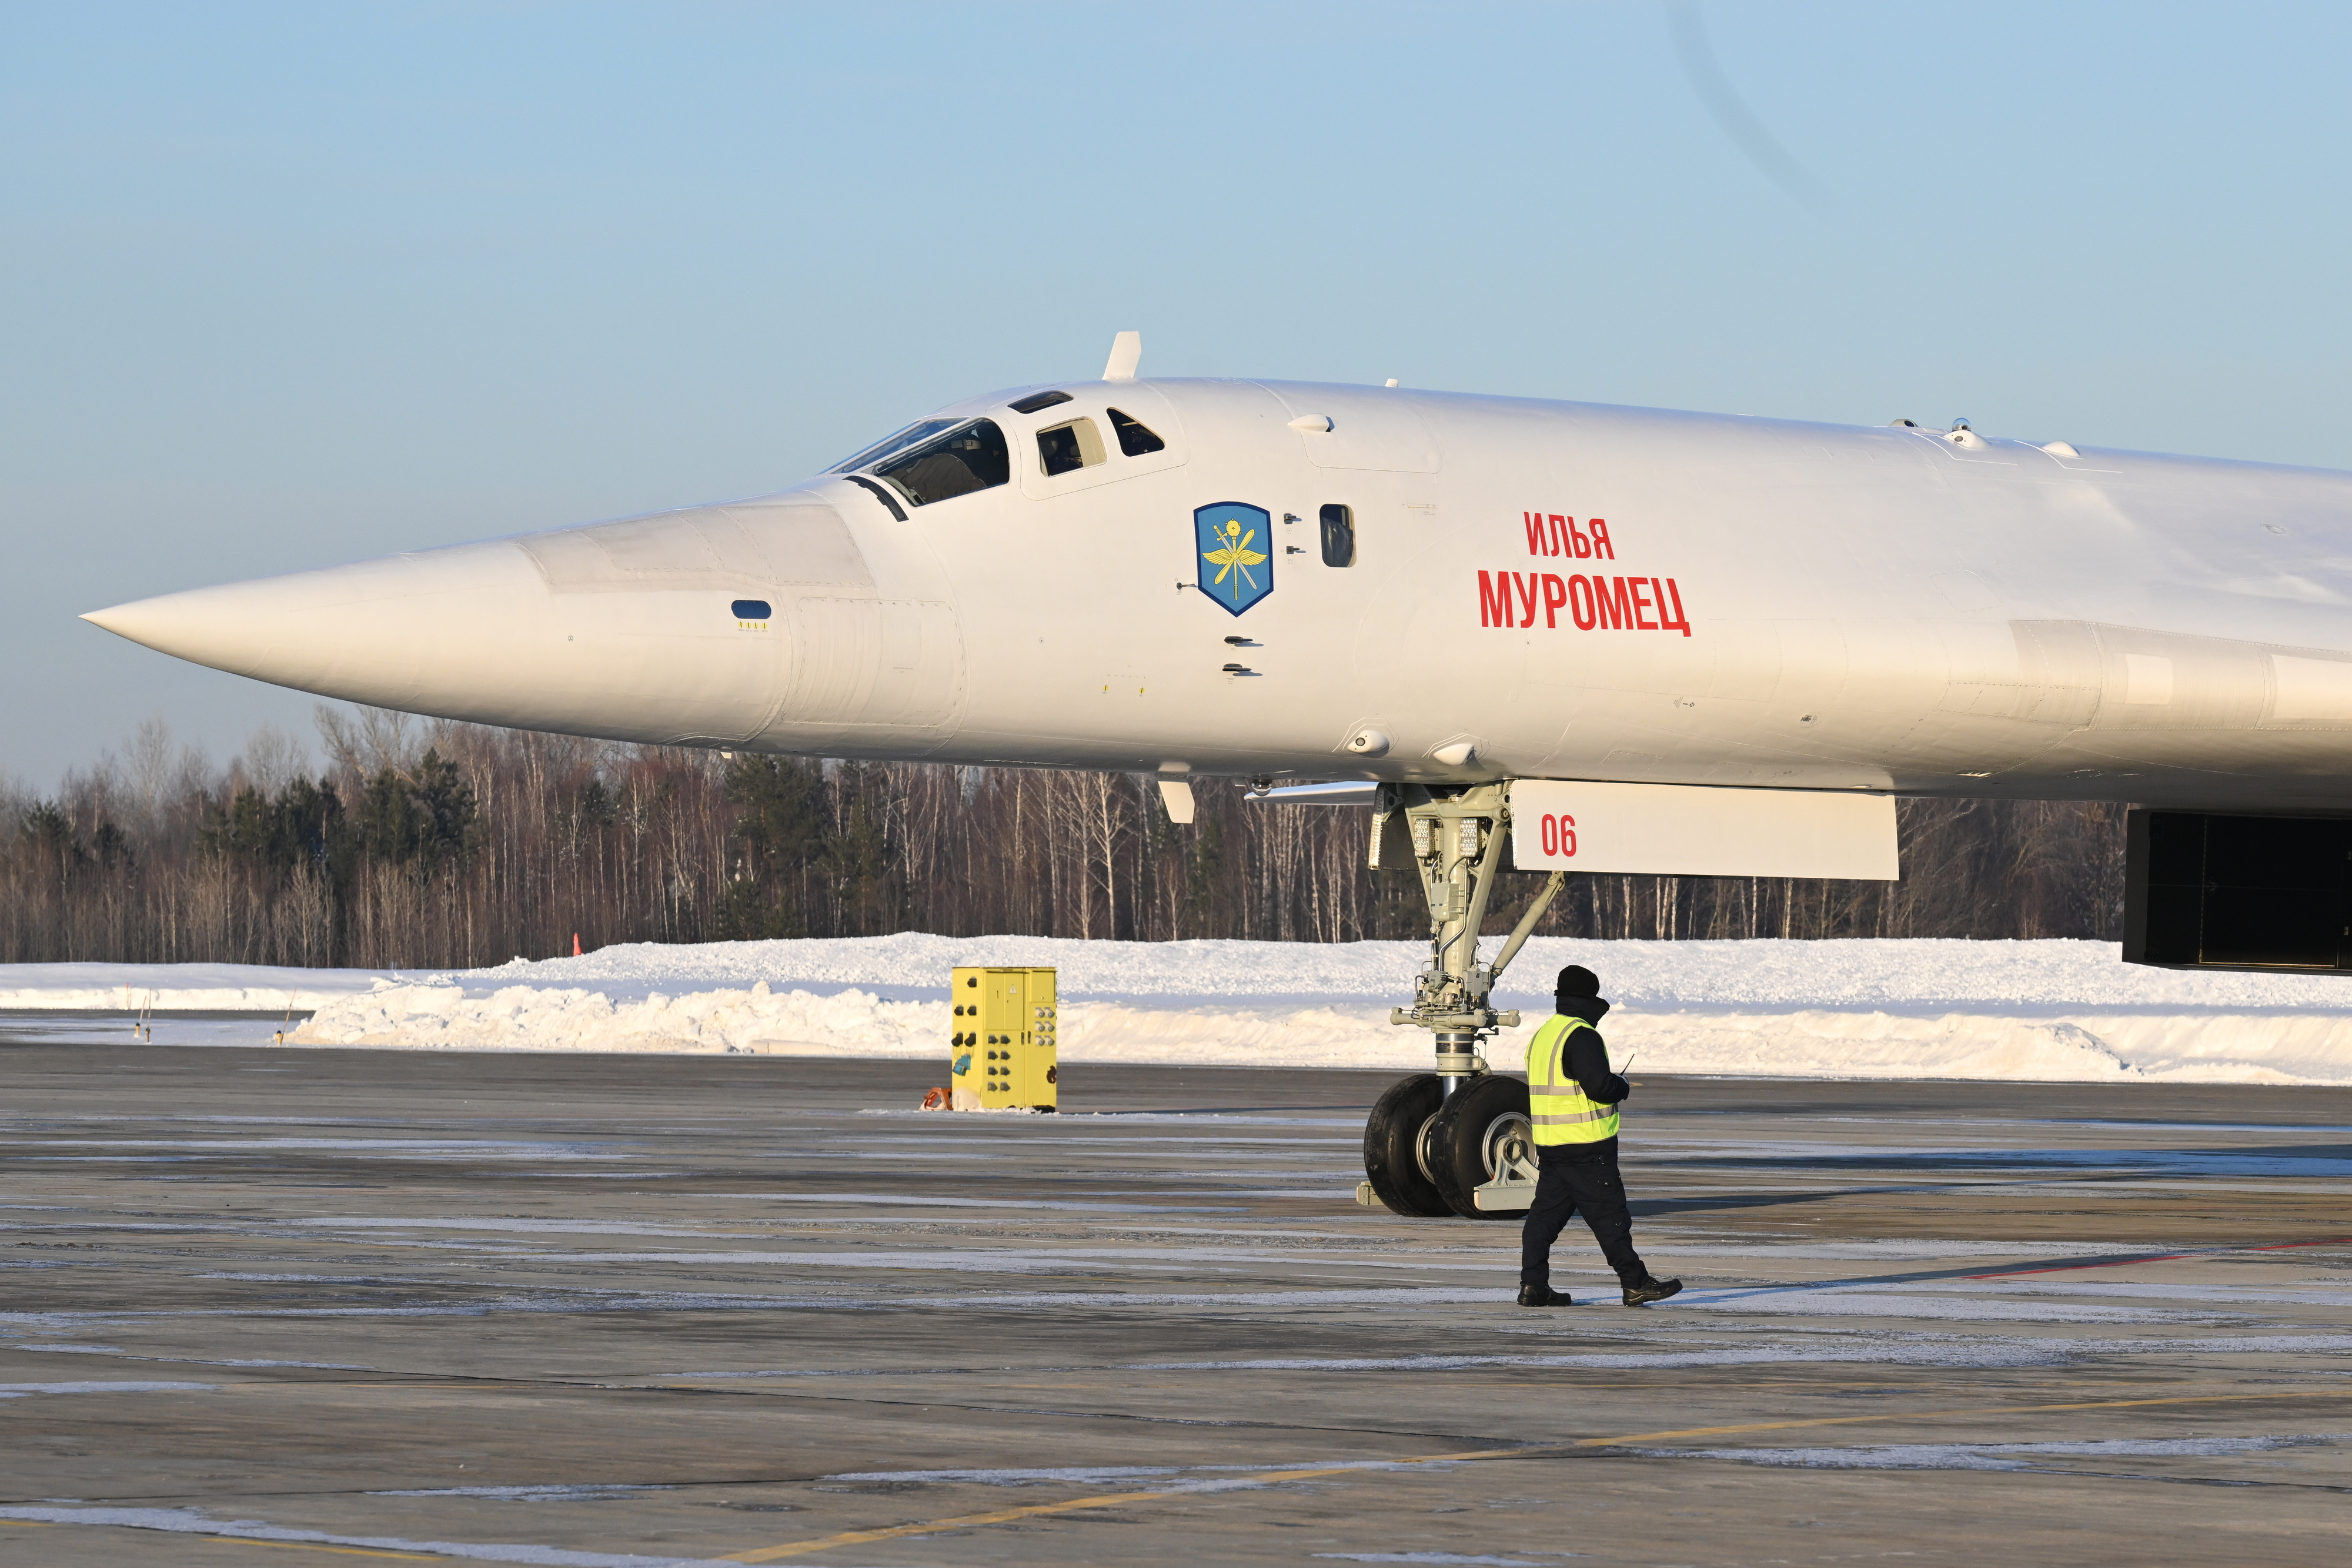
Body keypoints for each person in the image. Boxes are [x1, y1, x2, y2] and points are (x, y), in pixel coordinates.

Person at [1518, 964, 1682, 1308]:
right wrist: (1621, 1085)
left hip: (1552, 1146)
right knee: (1611, 1218)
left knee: (1542, 1221)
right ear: (1588, 1000)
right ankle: (1635, 1283)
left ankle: (1534, 1285)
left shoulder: (1544, 1036)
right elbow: (1599, 1086)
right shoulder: (1582, 1035)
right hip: (1587, 1147)